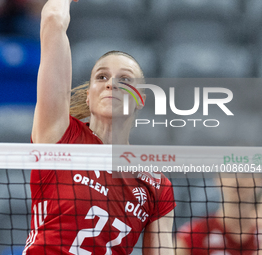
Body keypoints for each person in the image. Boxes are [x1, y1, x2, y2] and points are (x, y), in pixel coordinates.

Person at [23, 0, 176, 254]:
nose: (111, 84)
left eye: (125, 79)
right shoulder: (60, 135)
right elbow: (52, 19)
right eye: (102, 77)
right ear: (88, 95)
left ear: (140, 99)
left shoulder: (157, 185)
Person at [176, 175, 261, 255]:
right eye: (230, 173)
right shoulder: (194, 233)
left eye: (245, 174)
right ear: (218, 179)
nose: (237, 179)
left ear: (259, 180)